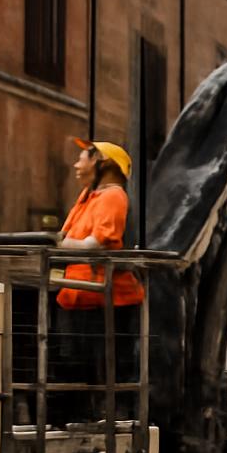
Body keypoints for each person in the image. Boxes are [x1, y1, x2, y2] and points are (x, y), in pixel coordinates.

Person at [53, 138, 144, 420]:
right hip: (78, 297)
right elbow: (65, 238)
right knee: (77, 366)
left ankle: (111, 420)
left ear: (101, 163)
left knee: (108, 366)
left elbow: (97, 244)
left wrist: (58, 245)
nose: (76, 165)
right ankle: (82, 419)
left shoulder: (113, 197)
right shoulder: (87, 198)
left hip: (108, 301)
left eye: (82, 158)